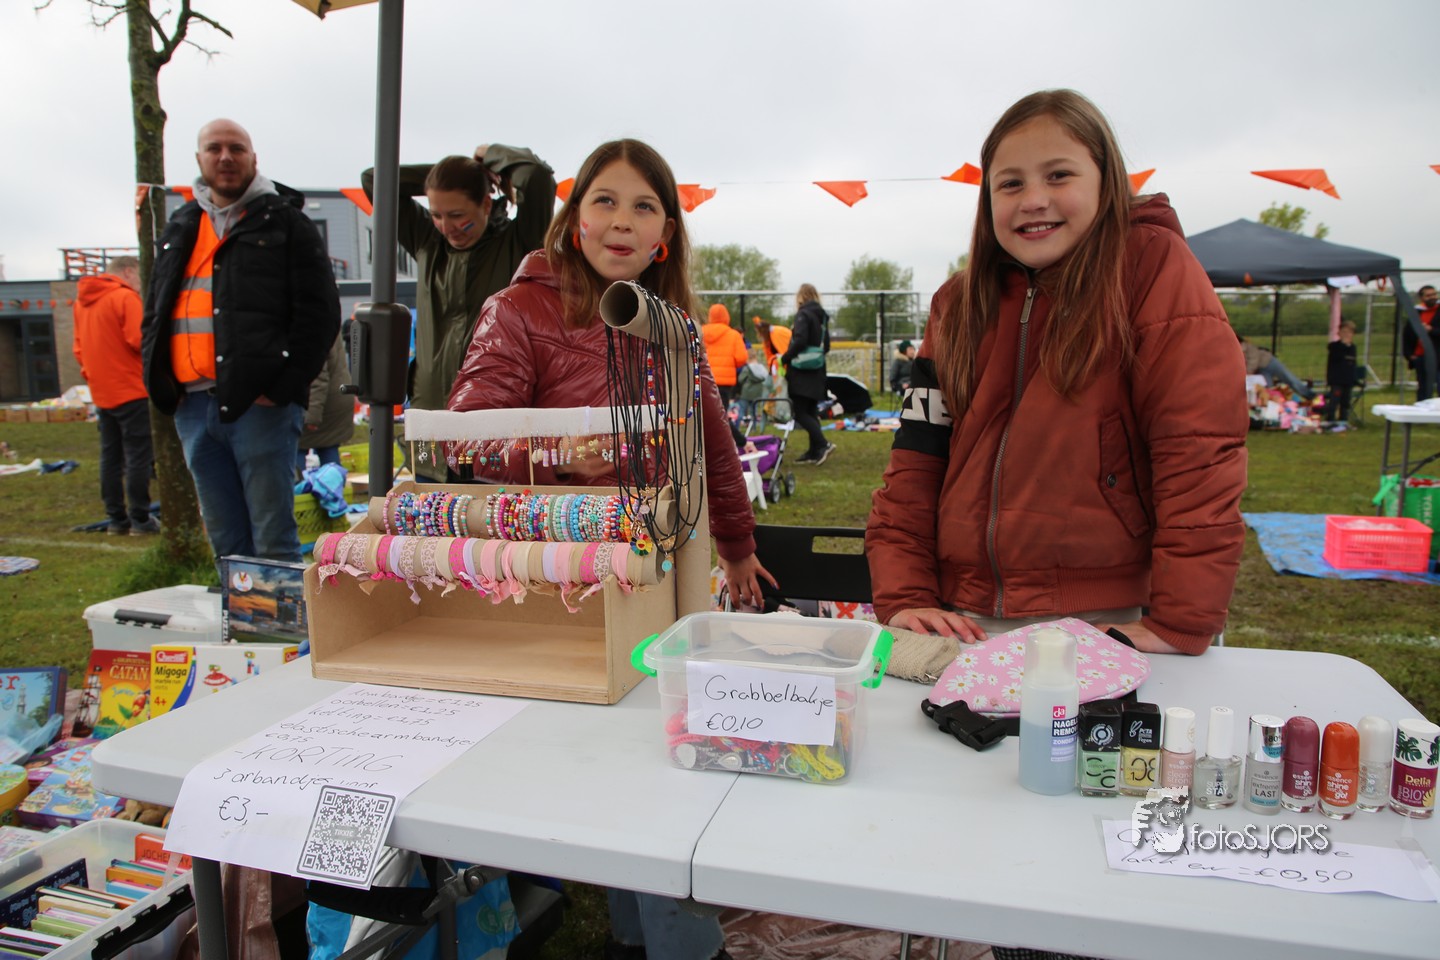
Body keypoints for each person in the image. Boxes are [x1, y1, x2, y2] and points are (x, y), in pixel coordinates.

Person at [449, 138, 769, 960]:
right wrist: (563, 453)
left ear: (665, 232)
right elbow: (468, 440)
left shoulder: (675, 327)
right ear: (574, 217)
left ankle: (645, 934)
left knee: (664, 745)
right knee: (625, 756)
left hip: (663, 566)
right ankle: (671, 939)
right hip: (566, 574)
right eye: (605, 201)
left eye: (643, 206)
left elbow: (714, 443)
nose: (622, 221)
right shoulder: (517, 310)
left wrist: (736, 543)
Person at [867, 88, 1247, 668]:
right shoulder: (957, 303)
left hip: (1107, 619)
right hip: (964, 618)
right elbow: (916, 462)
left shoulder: (1151, 268)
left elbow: (1198, 456)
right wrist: (905, 595)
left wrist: (1179, 621)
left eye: (1058, 175)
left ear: (1107, 180)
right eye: (1010, 183)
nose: (1033, 200)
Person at [142, 118, 340, 563]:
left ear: (254, 158)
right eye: (214, 148)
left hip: (260, 407)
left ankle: (279, 611)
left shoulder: (285, 223)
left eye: (236, 148)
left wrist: (284, 387)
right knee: (225, 538)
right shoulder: (181, 226)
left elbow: (320, 313)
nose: (225, 157)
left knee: (272, 536)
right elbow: (155, 309)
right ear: (199, 159)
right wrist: (161, 382)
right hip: (192, 406)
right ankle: (238, 609)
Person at [361, 144, 556, 421]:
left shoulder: (519, 241)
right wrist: (449, 176)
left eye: (457, 215)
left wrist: (488, 158)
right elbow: (374, 180)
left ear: (485, 204)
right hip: (428, 410)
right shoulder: (427, 242)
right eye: (436, 215)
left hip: (493, 412)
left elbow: (537, 176)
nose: (446, 227)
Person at [72, 255, 157, 536]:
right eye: (138, 277)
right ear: (128, 271)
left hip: (102, 391)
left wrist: (95, 375)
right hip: (131, 388)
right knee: (138, 456)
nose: (139, 284)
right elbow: (140, 341)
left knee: (110, 457)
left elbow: (79, 348)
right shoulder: (125, 298)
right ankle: (140, 518)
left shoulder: (82, 303)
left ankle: (116, 518)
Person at [780, 284, 834, 465]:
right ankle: (814, 451)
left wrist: (786, 357)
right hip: (818, 370)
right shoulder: (822, 316)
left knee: (800, 412)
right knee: (811, 410)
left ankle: (823, 444)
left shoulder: (803, 314)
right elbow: (826, 346)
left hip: (801, 372)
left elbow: (800, 340)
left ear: (801, 297)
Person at [297, 332, 354, 471]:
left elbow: (317, 376)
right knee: (328, 448)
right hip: (337, 397)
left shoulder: (310, 328)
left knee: (298, 449)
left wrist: (312, 415)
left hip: (323, 403)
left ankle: (299, 484)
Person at [1238, 334, 1314, 400]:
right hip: (1261, 370)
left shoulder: (1248, 347)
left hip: (1271, 363)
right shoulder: (1237, 351)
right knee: (1268, 388)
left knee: (1290, 379)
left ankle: (1311, 396)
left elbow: (1253, 362)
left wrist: (1246, 373)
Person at [701, 303, 748, 406]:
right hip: (725, 382)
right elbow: (741, 358)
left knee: (704, 410)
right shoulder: (734, 335)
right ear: (727, 317)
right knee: (722, 410)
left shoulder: (700, 332)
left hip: (704, 378)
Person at [1403, 284, 1439, 400]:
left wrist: (1431, 330)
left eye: (1434, 294)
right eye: (1428, 295)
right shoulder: (1416, 312)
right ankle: (1422, 408)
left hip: (1438, 355)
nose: (1432, 297)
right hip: (1420, 356)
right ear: (1422, 298)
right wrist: (1409, 354)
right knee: (1423, 387)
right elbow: (1407, 334)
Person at [1324, 321, 1358, 423]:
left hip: (1348, 380)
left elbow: (1352, 363)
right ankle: (1330, 419)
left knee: (1345, 401)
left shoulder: (1352, 347)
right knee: (1334, 400)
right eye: (1344, 332)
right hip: (1337, 380)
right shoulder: (1334, 346)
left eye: (1349, 332)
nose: (1346, 335)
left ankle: (1343, 420)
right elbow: (1337, 357)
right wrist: (1344, 345)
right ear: (1339, 333)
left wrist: (1354, 379)